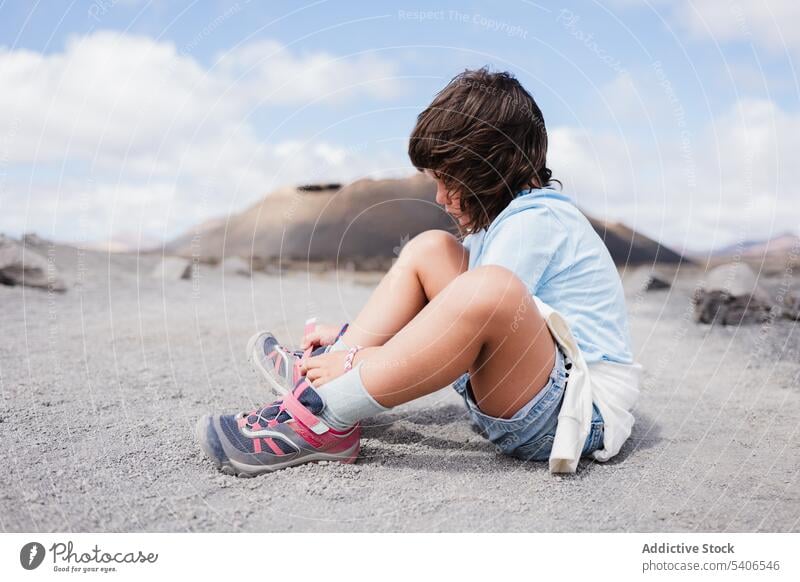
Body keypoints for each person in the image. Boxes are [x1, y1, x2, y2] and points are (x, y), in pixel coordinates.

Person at [195, 68, 642, 477]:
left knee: (489, 290)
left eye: (450, 181)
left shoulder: (537, 221)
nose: (440, 198)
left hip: (575, 414)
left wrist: (363, 363)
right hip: (529, 392)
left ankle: (325, 414)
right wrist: (357, 341)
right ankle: (326, 367)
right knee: (433, 249)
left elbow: (478, 315)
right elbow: (448, 320)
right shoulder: (502, 223)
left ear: (494, 169)